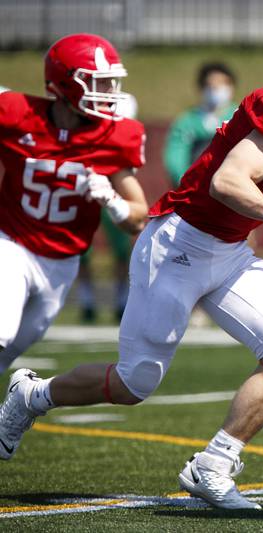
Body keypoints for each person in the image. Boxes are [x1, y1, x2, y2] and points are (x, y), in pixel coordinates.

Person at [0, 18, 263, 510]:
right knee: (134, 382)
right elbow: (227, 182)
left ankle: (214, 466)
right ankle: (34, 395)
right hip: (179, 244)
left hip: (226, 251)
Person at [0, 33, 148, 375]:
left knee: (9, 354)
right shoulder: (17, 113)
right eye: (98, 82)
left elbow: (138, 217)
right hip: (13, 243)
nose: (109, 91)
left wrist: (111, 200)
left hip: (63, 263)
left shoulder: (115, 136)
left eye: (111, 82)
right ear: (65, 85)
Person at [76, 92, 140, 323]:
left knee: (122, 248)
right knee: (81, 250)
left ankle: (121, 302)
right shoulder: (88, 125)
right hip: (88, 191)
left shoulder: (126, 124)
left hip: (115, 192)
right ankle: (87, 302)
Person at [164, 62, 238, 187]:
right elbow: (175, 160)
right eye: (211, 85)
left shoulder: (240, 117)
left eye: (222, 84)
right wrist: (189, 186)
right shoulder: (186, 122)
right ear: (202, 88)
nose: (217, 89)